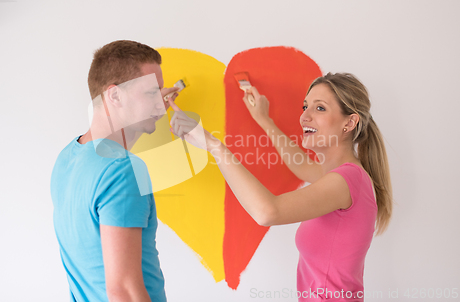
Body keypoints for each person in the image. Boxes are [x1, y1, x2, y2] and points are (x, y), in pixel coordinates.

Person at [168, 72, 393, 301]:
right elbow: (300, 166)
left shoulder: (345, 181)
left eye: (320, 108)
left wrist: (214, 146)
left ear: (350, 122)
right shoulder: (340, 177)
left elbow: (267, 211)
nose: (305, 116)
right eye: (305, 106)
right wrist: (263, 119)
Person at [51, 40, 179, 302]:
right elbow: (124, 292)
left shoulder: (68, 158)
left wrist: (148, 111)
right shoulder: (122, 171)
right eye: (151, 92)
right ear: (115, 95)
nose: (160, 102)